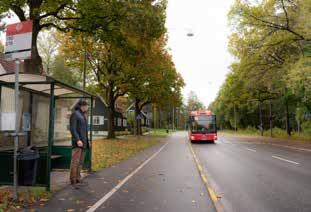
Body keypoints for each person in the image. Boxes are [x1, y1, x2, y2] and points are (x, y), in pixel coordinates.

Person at [69, 99, 89, 189]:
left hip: (84, 142)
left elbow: (84, 130)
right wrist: (77, 140)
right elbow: (73, 129)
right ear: (82, 106)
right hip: (78, 143)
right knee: (75, 162)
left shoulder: (83, 115)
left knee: (80, 162)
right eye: (86, 106)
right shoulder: (75, 114)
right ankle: (73, 180)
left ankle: (78, 178)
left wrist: (88, 141)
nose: (87, 107)